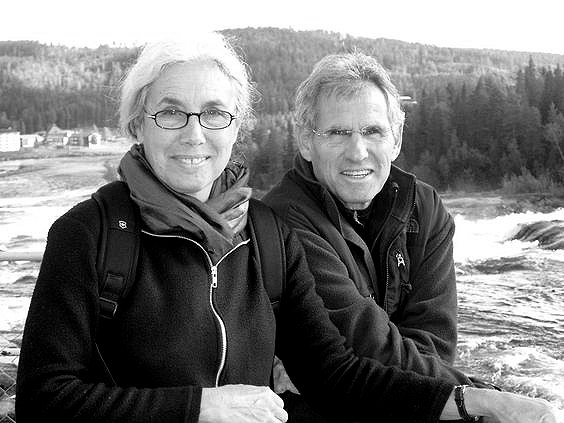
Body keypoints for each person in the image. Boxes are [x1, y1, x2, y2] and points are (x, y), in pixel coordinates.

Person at [16, 32, 557, 423]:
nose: (194, 134)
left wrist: (470, 402)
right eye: (171, 113)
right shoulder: (89, 234)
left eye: (214, 113)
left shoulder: (267, 234)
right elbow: (43, 398)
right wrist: (198, 407)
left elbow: (336, 373)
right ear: (138, 123)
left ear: (236, 126)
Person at [263, 52, 561, 418]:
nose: (357, 152)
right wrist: (489, 400)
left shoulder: (423, 207)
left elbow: (435, 346)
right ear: (306, 141)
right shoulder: (283, 223)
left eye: (372, 131)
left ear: (396, 138)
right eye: (338, 133)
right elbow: (364, 349)